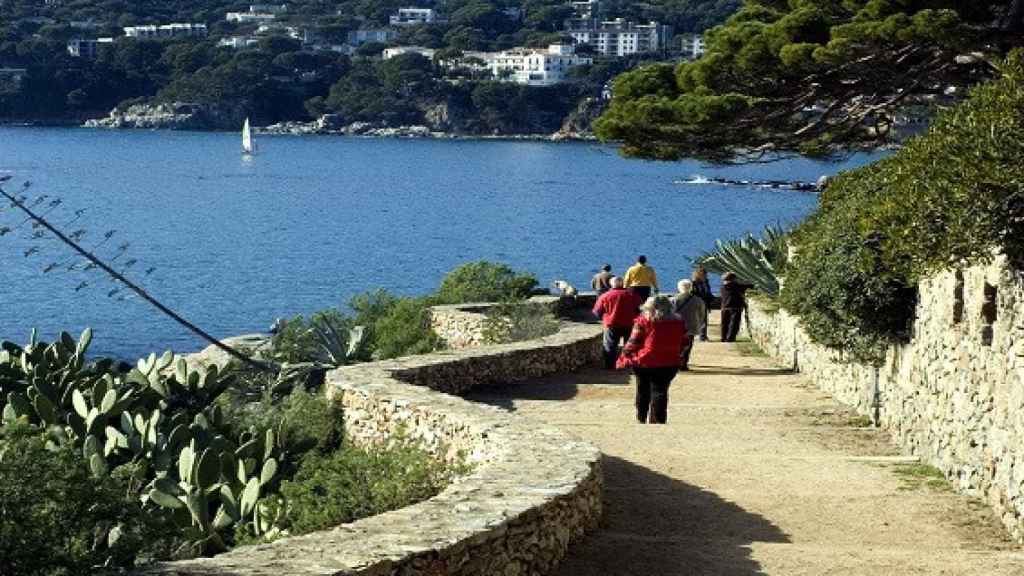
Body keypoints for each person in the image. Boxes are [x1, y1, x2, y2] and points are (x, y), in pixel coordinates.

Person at [618, 295, 687, 424]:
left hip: (645, 362)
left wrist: (624, 355)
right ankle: (658, 420)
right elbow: (684, 341)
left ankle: (641, 416)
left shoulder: (643, 321)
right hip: (670, 362)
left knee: (643, 389)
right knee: (661, 390)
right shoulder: (679, 322)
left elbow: (633, 342)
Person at [592, 276, 642, 368]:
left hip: (612, 324)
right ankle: (629, 364)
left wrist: (604, 318)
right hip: (630, 324)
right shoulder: (633, 295)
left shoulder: (605, 296)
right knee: (630, 345)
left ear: (611, 284)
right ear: (622, 283)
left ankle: (610, 365)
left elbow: (597, 312)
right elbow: (640, 310)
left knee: (610, 346)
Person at [671, 279, 706, 371]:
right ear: (690, 288)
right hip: (691, 325)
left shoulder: (673, 299)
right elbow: (702, 313)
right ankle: (684, 364)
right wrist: (701, 323)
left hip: (676, 326)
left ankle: (675, 363)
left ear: (679, 288)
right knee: (688, 345)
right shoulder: (698, 300)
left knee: (676, 345)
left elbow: (669, 313)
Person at [720, 271, 754, 342]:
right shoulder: (735, 285)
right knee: (733, 324)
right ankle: (730, 338)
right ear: (733, 279)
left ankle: (723, 337)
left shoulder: (722, 286)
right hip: (735, 307)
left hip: (724, 307)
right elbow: (748, 286)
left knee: (725, 323)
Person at [691, 266, 713, 341]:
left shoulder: (706, 282)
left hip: (704, 303)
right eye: (704, 274)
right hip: (697, 303)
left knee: (704, 320)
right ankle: (693, 335)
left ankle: (703, 336)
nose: (706, 275)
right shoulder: (694, 283)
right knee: (696, 320)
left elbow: (708, 293)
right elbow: (693, 293)